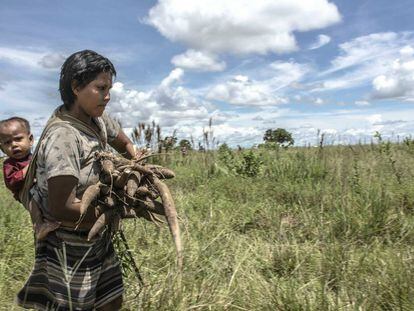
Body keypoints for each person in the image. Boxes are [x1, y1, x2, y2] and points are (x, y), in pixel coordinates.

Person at [16, 50, 140, 310]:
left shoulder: (97, 119)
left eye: (110, 89)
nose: (108, 96)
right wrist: (121, 209)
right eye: (100, 88)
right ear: (75, 87)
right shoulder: (64, 136)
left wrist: (137, 166)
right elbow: (64, 206)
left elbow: (125, 142)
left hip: (96, 235)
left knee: (111, 299)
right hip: (68, 242)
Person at [0, 117, 60, 240]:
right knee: (33, 198)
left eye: (18, 139)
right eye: (7, 143)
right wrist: (27, 170)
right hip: (25, 192)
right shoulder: (9, 164)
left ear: (31, 139)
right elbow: (11, 182)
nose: (14, 145)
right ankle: (39, 226)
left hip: (42, 188)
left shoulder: (36, 157)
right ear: (2, 149)